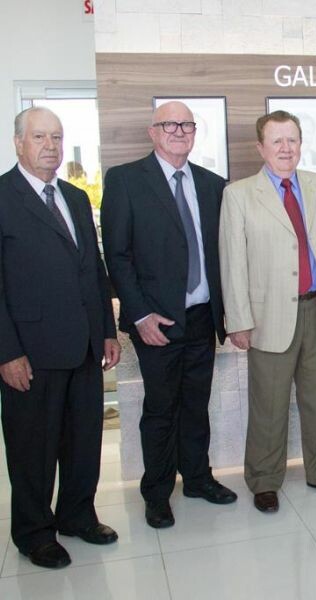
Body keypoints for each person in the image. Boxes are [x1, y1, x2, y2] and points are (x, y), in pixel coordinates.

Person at [101, 101, 237, 530]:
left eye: (187, 125)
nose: (180, 131)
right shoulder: (125, 181)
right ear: (153, 132)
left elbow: (222, 255)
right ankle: (157, 493)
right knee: (161, 409)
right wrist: (139, 315)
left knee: (197, 405)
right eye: (170, 124)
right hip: (155, 321)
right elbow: (117, 256)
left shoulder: (213, 184)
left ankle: (197, 478)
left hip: (201, 317)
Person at [219, 110, 316, 512]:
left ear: (301, 145)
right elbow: (233, 263)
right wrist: (239, 321)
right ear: (260, 147)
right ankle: (264, 480)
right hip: (267, 317)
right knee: (269, 403)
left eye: (292, 140)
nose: (285, 148)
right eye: (277, 141)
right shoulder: (239, 195)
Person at [0, 107, 121, 569]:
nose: (49, 146)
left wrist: (106, 332)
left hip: (86, 347)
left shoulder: (72, 197)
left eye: (56, 137)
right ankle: (33, 532)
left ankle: (77, 516)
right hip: (30, 352)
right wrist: (6, 352)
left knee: (83, 440)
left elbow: (93, 269)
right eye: (38, 137)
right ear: (18, 143)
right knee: (33, 447)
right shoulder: (4, 196)